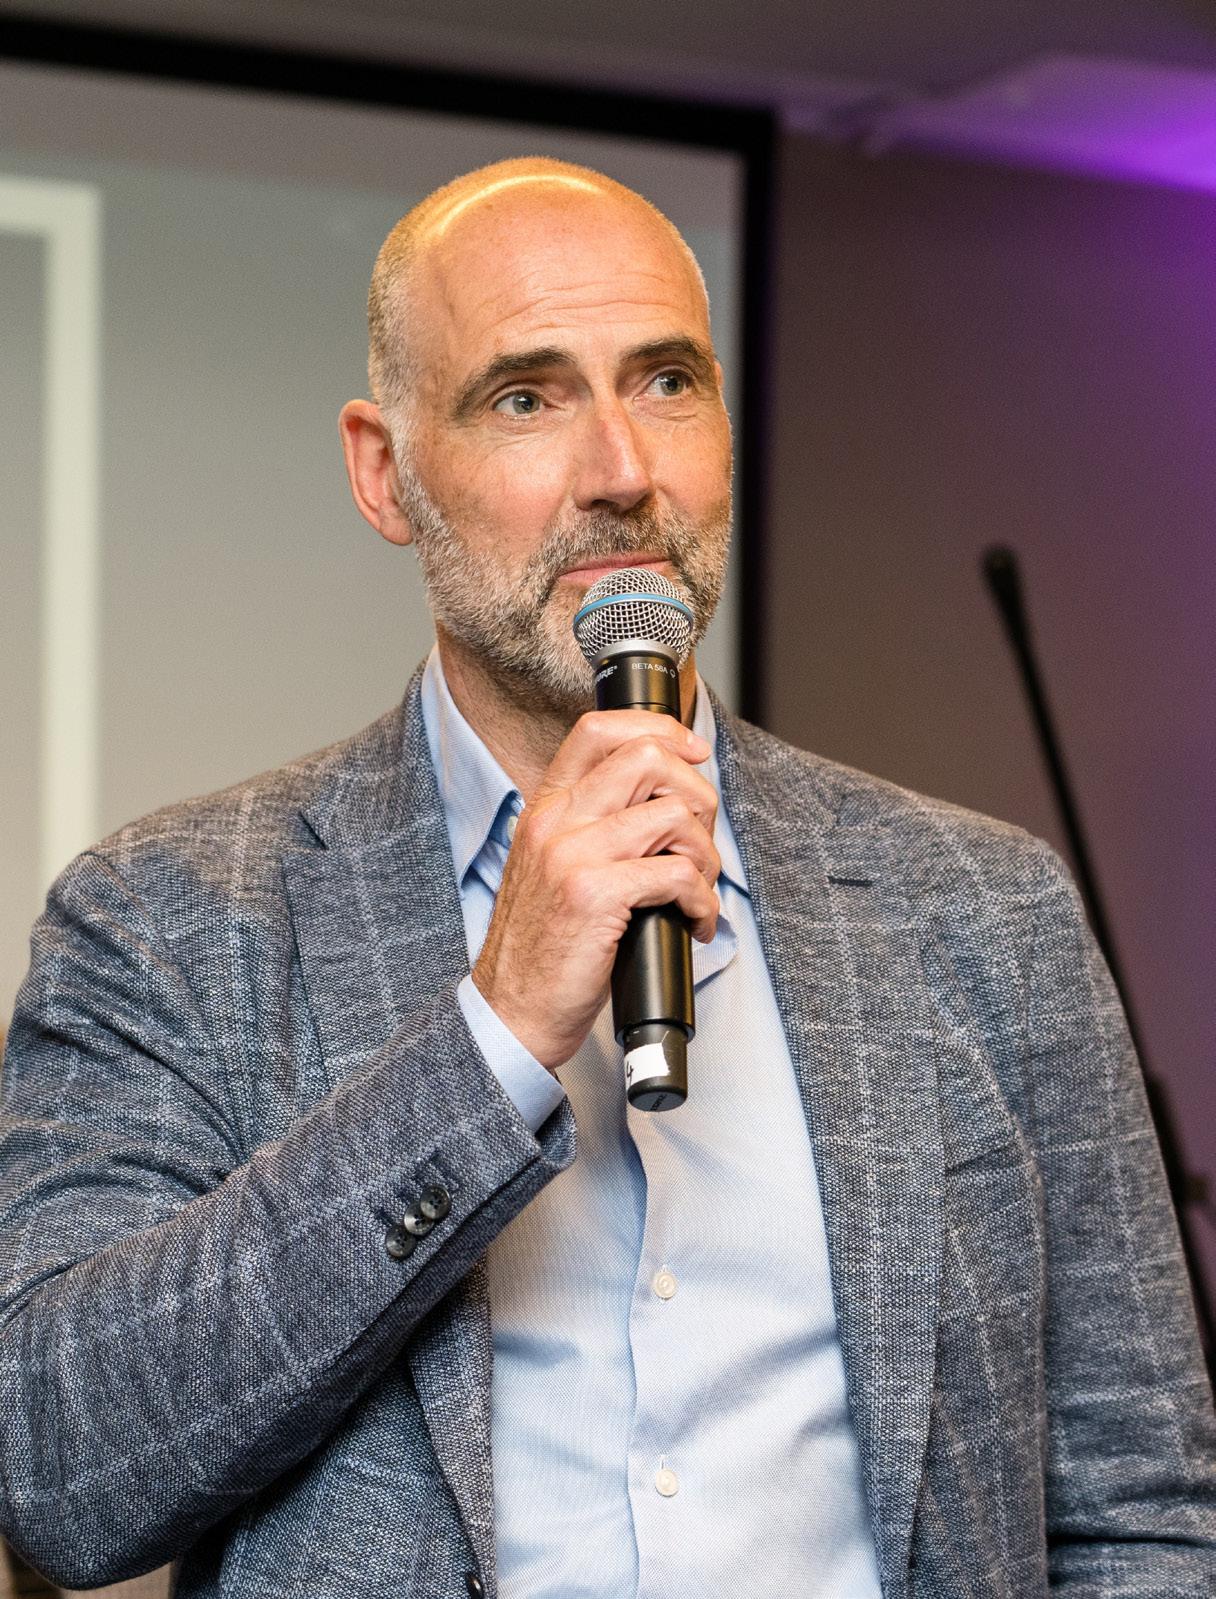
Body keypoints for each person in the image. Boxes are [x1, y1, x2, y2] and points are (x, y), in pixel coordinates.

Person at [0, 157, 1211, 1599]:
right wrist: (492, 1039)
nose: (624, 471)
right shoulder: (168, 916)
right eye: (528, 398)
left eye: (668, 382)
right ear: (385, 473)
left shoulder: (985, 911)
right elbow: (58, 1473)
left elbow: (1141, 1512)